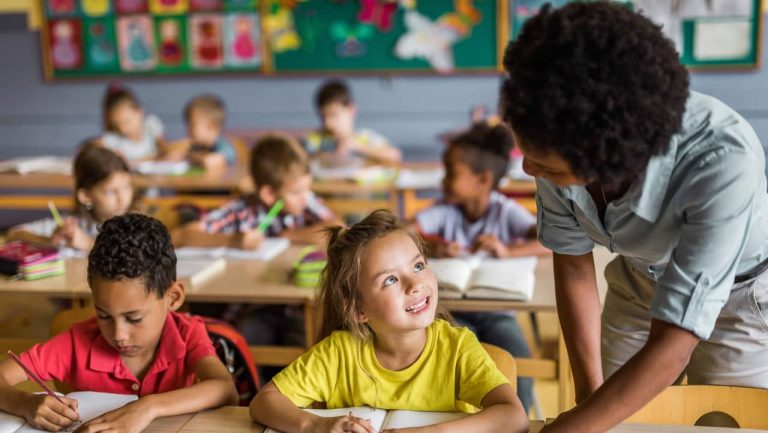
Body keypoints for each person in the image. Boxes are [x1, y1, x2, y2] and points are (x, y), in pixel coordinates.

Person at [500, 3, 768, 432]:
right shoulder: (556, 126)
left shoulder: (723, 159)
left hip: (741, 297)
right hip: (639, 277)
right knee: (606, 411)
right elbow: (572, 264)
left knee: (724, 422)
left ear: (608, 154)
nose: (530, 171)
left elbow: (675, 340)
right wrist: (589, 398)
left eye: (545, 164)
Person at [249, 209, 527, 433]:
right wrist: (316, 425)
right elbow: (264, 402)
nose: (414, 284)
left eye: (418, 266)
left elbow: (514, 416)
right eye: (390, 279)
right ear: (358, 310)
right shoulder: (339, 353)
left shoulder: (457, 348)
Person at [0, 214, 238, 433]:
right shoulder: (76, 343)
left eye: (133, 318)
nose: (119, 335)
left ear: (173, 298)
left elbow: (225, 389)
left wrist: (147, 407)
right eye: (104, 316)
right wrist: (25, 402)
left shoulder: (186, 333)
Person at [412, 121, 548, 413]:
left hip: (498, 314)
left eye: (451, 173)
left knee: (517, 361)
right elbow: (404, 231)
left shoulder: (504, 210)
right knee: (454, 358)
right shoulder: (445, 211)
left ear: (483, 180)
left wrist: (507, 250)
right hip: (453, 312)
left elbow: (547, 241)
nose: (443, 181)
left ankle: (519, 419)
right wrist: (434, 246)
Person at [8, 142, 137, 251]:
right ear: (85, 195)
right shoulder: (75, 224)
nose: (122, 198)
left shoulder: (136, 224)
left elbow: (136, 253)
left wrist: (88, 244)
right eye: (111, 192)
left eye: (127, 187)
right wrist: (48, 241)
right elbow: (14, 234)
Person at [304, 79, 401, 166]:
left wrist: (357, 146)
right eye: (323, 117)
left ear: (351, 110)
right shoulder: (316, 138)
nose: (328, 123)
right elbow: (304, 159)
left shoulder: (364, 137)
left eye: (334, 115)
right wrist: (331, 155)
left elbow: (395, 156)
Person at [165, 94, 237, 171]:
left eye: (193, 124)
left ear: (211, 126)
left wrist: (189, 157)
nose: (188, 129)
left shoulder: (224, 146)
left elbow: (210, 161)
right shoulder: (197, 146)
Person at [100, 83, 164, 163]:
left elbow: (163, 149)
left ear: (140, 112)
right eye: (117, 124)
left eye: (127, 121)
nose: (122, 129)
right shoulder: (114, 139)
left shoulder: (151, 125)